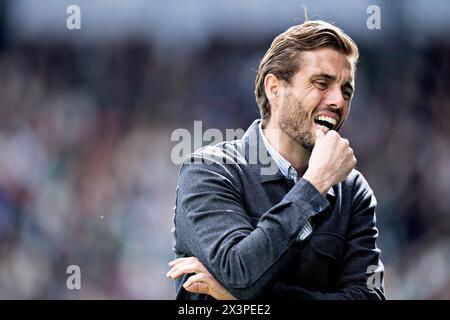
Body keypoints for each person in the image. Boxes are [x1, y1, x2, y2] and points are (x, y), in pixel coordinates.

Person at [167, 20, 385, 300]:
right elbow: (241, 274)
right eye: (321, 83)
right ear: (274, 89)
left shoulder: (353, 191)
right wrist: (314, 185)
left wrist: (245, 297)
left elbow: (371, 296)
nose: (338, 101)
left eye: (346, 90)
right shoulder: (210, 171)